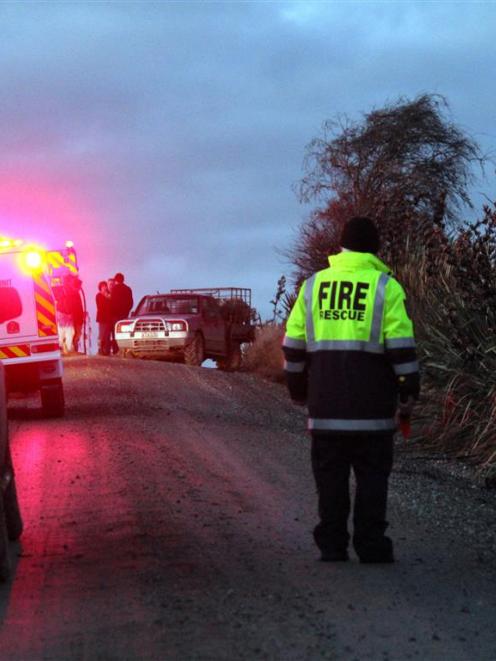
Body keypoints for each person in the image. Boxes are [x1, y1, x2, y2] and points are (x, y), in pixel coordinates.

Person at [282, 216, 420, 563]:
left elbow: (293, 347)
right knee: (372, 478)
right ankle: (371, 545)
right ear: (375, 250)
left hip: (325, 409)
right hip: (372, 412)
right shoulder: (386, 288)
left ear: (340, 247)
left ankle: (332, 544)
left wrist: (299, 390)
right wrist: (407, 394)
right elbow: (402, 350)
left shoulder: (313, 286)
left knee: (330, 477)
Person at [109, 273, 133, 356]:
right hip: (124, 315)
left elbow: (112, 302)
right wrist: (126, 311)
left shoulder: (114, 289)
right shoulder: (128, 289)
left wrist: (112, 313)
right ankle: (124, 349)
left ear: (116, 280)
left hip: (115, 315)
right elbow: (130, 303)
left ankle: (116, 350)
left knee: (115, 332)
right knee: (125, 332)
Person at [96, 281, 112, 355]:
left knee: (107, 334)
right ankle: (100, 348)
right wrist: (106, 298)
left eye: (105, 286)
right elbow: (100, 306)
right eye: (103, 286)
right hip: (102, 318)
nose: (105, 287)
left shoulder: (108, 295)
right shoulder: (98, 295)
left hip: (108, 317)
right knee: (102, 334)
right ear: (100, 288)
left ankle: (106, 349)